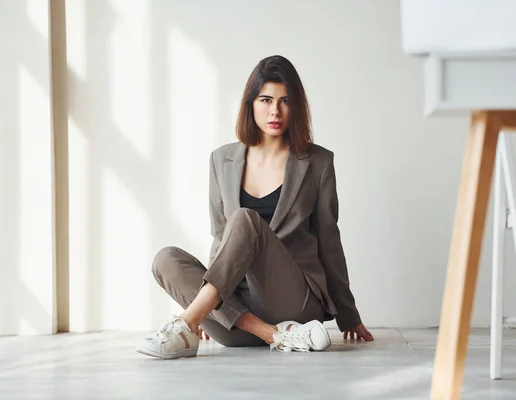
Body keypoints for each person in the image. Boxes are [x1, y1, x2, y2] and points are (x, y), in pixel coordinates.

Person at [137, 55, 373, 360]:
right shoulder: (221, 160)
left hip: (292, 301)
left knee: (245, 220)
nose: (275, 110)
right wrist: (207, 303)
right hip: (238, 324)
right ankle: (272, 334)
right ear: (250, 104)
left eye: (285, 101)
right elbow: (221, 238)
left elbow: (329, 241)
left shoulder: (318, 163)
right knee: (165, 258)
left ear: (296, 106)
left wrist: (348, 315)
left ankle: (185, 327)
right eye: (265, 99)